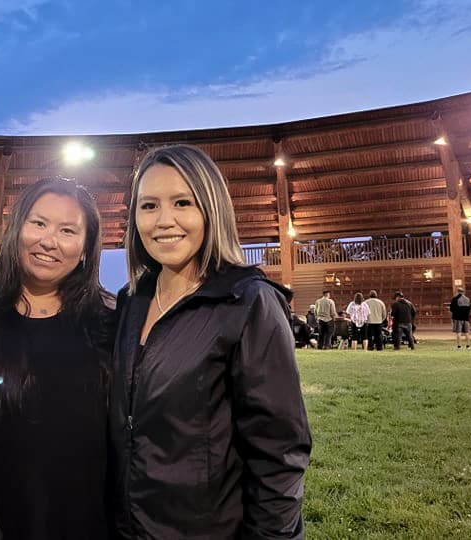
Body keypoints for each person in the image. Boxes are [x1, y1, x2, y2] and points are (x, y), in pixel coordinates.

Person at [109, 145, 311, 539]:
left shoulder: (249, 301)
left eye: (182, 202)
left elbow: (278, 451)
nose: (164, 221)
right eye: (148, 206)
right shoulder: (130, 301)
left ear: (210, 209)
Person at [0, 177, 114, 540]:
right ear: (16, 229)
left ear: (86, 248)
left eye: (67, 230)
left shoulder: (110, 321)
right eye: (39, 223)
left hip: (88, 521)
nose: (49, 241)